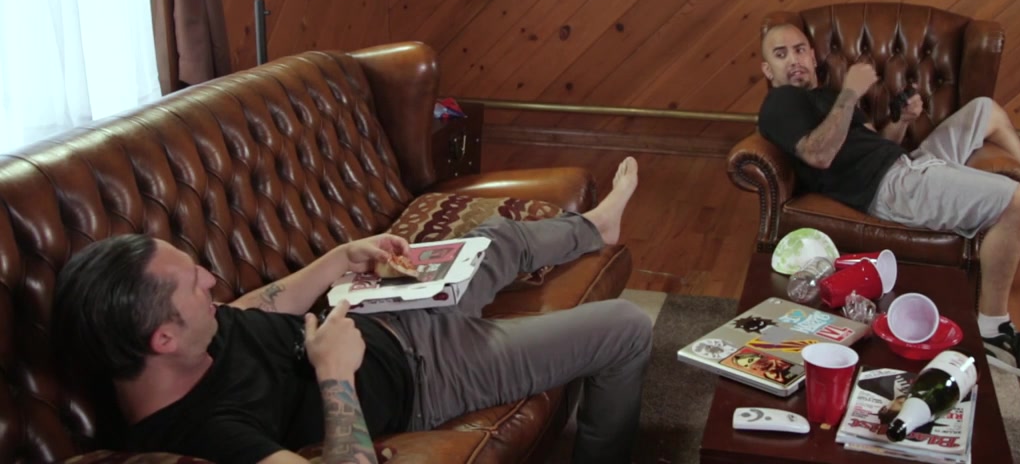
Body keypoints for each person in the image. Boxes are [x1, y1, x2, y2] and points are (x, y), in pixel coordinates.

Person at [52, 158, 650, 464]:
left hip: (384, 310)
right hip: (428, 374)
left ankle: (596, 226)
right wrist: (334, 373)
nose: (211, 280)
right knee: (625, 329)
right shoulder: (202, 431)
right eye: (194, 284)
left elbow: (252, 307)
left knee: (488, 241)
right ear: (161, 339)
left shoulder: (181, 339)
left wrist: (342, 257)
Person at [757, 24, 1020, 383]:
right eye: (781, 54)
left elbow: (880, 143)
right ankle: (993, 332)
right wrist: (851, 92)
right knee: (1015, 202)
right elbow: (819, 155)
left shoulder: (833, 96)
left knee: (986, 110)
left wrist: (902, 120)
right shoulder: (781, 102)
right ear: (768, 70)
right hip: (890, 187)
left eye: (800, 50)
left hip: (908, 163)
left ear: (813, 55)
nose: (794, 60)